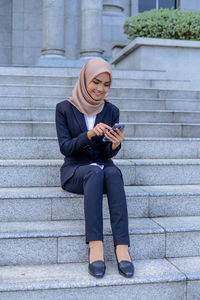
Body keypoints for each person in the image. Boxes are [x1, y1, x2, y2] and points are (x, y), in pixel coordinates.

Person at [55, 58, 134, 278]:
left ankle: (122, 247)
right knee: (95, 171)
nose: (100, 89)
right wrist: (89, 134)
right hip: (75, 171)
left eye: (106, 84)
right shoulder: (64, 109)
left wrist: (115, 144)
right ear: (85, 80)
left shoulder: (111, 110)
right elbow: (66, 148)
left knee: (112, 171)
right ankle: (96, 244)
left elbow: (107, 153)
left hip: (102, 170)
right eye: (96, 82)